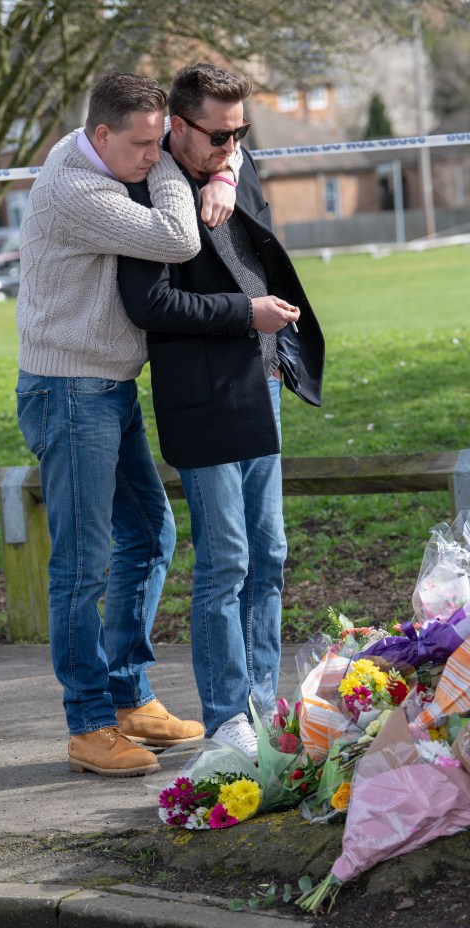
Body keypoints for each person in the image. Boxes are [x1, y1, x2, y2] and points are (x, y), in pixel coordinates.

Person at [15, 71, 247, 778]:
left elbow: (213, 156)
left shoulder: (93, 151)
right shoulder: (76, 190)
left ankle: (128, 697)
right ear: (103, 135)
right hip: (68, 391)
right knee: (81, 566)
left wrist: (226, 168)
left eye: (161, 143)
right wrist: (185, 169)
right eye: (144, 146)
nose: (154, 158)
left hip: (105, 388)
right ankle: (88, 724)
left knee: (149, 534)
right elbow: (178, 238)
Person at [117, 63, 325, 760]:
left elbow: (243, 177)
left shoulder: (232, 160)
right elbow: (149, 305)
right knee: (227, 561)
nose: (232, 145)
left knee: (269, 551)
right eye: (219, 135)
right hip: (202, 394)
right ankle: (227, 718)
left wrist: (230, 170)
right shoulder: (146, 190)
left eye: (242, 132)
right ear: (178, 126)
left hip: (260, 381)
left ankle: (263, 707)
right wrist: (248, 314)